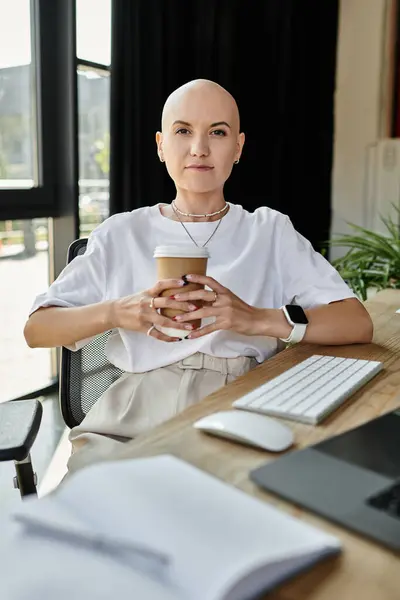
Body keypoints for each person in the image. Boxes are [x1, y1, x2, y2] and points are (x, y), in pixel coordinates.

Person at [23, 79, 373, 474]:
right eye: (183, 131)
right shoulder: (121, 232)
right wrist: (118, 312)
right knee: (102, 516)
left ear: (238, 147)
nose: (199, 148)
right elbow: (38, 329)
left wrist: (256, 318)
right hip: (133, 413)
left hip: (242, 401)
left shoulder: (269, 231)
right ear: (160, 145)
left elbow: (356, 322)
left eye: (218, 133)